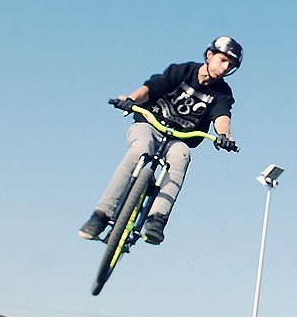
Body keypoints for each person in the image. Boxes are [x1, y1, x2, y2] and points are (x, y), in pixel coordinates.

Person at [79, 36, 242, 245]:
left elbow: (222, 116)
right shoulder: (182, 71)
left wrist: (224, 136)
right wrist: (130, 100)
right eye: (222, 59)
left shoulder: (222, 92)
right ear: (210, 55)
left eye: (231, 64)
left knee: (182, 156)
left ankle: (157, 219)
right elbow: (152, 88)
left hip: (178, 138)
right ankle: (100, 216)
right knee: (140, 148)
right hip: (149, 125)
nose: (225, 66)